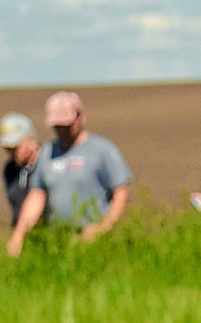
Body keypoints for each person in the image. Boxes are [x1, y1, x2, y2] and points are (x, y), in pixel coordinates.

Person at [7, 90, 134, 255]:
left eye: (66, 125)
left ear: (80, 117)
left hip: (96, 242)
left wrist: (103, 228)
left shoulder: (102, 150)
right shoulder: (47, 153)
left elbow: (121, 193)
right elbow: (37, 195)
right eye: (57, 127)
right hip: (58, 241)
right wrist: (19, 234)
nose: (62, 131)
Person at [0, 112, 40, 225]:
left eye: (15, 147)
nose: (11, 152)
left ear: (31, 139)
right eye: (7, 148)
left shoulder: (46, 165)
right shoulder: (10, 169)